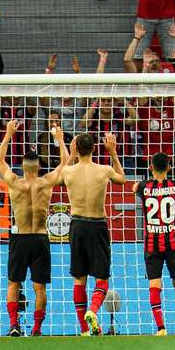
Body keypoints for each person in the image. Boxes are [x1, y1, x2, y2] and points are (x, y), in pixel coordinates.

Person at [49, 121, 128, 335]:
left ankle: (84, 329)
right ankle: (93, 311)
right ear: (94, 148)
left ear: (77, 147)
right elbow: (122, 179)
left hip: (76, 226)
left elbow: (54, 180)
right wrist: (112, 152)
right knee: (101, 278)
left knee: (79, 278)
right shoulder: (104, 169)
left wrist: (71, 155)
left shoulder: (68, 171)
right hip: (97, 225)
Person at [0, 118, 65, 336]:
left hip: (20, 238)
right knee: (39, 287)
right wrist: (60, 140)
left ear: (23, 167)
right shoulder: (47, 182)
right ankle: (36, 329)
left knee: (13, 284)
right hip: (41, 239)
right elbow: (65, 163)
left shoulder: (15, 182)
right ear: (40, 166)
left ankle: (14, 325)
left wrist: (8, 134)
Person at [135, 149, 175, 335]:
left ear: (150, 167)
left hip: (151, 246)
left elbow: (133, 188)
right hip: (174, 244)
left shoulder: (143, 187)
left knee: (155, 285)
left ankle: (161, 328)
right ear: (169, 167)